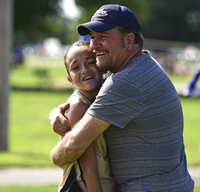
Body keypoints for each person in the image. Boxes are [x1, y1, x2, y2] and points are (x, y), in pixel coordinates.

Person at [49, 4, 194, 191]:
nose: (94, 45)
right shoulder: (143, 65)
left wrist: (54, 156)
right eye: (92, 37)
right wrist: (58, 112)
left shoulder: (126, 81)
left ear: (128, 41)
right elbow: (91, 96)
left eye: (103, 37)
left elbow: (73, 146)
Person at [50, 40, 117, 192]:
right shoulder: (79, 106)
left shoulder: (105, 98)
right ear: (70, 79)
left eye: (90, 62)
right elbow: (89, 170)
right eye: (75, 67)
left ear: (102, 67)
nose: (84, 70)